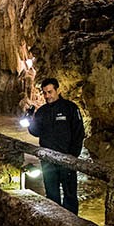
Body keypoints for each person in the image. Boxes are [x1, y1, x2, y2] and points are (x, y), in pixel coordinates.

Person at [27, 78, 85, 214]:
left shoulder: (70, 108)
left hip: (67, 159)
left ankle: (72, 223)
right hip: (48, 160)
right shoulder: (42, 111)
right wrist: (30, 119)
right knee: (52, 194)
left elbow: (79, 132)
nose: (47, 96)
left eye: (50, 92)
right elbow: (35, 132)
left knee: (70, 194)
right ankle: (55, 221)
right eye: (45, 93)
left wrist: (73, 155)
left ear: (58, 90)